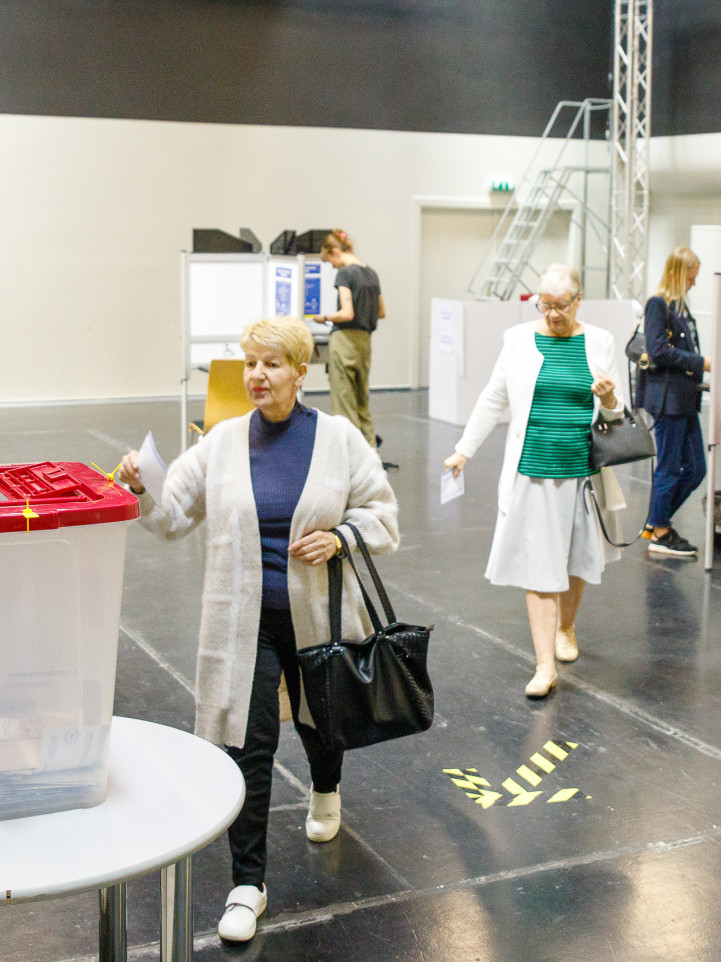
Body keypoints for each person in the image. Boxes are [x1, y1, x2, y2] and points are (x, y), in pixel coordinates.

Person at [116, 317, 397, 943]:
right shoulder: (221, 442)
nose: (257, 376)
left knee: (321, 719)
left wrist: (340, 536)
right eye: (249, 364)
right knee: (248, 743)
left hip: (319, 617)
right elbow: (170, 517)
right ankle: (248, 882)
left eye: (271, 364)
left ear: (300, 371)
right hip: (246, 623)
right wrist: (140, 487)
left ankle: (326, 787)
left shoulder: (339, 439)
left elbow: (383, 514)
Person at [443, 264, 623, 699]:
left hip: (583, 471)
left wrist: (609, 398)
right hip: (533, 469)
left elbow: (617, 414)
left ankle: (566, 627)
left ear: (578, 300)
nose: (552, 313)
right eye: (544, 304)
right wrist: (464, 449)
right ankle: (544, 665)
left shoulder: (600, 341)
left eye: (560, 305)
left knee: (577, 561)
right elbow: (494, 397)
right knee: (538, 566)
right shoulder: (519, 339)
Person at [641, 247, 710, 559]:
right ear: (678, 274)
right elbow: (658, 351)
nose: (694, 283)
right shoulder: (658, 305)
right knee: (669, 467)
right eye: (691, 278)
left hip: (685, 399)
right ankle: (660, 529)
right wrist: (700, 363)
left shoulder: (681, 308)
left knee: (696, 469)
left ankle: (658, 522)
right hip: (668, 400)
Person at [312, 229, 384, 448]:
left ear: (334, 252)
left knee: (344, 402)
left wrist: (323, 317)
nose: (333, 266)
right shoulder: (371, 273)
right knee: (362, 402)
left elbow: (346, 313)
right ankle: (370, 453)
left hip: (344, 341)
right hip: (365, 342)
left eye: (329, 261)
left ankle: (350, 454)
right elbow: (381, 312)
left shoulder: (345, 274)